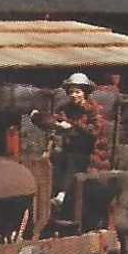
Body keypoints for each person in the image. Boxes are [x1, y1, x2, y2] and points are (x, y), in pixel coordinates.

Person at [31, 72, 111, 209]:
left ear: (85, 93)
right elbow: (55, 119)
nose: (74, 95)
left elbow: (94, 131)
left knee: (71, 159)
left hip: (92, 155)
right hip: (70, 151)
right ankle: (41, 193)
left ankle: (61, 195)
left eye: (78, 92)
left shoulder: (94, 110)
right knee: (53, 157)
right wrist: (41, 119)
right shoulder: (66, 109)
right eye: (71, 92)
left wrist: (73, 126)